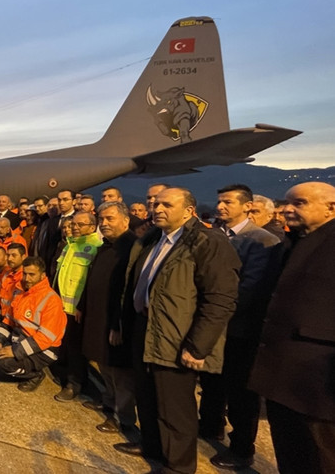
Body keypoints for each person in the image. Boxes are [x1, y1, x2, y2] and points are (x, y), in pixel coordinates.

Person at [114, 187, 240, 474]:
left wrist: (198, 346)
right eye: (156, 204)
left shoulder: (206, 241)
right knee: (147, 395)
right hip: (146, 328)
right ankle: (153, 446)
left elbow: (220, 297)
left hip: (177, 336)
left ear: (188, 211)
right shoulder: (154, 239)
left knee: (175, 407)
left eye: (166, 205)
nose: (157, 208)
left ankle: (179, 466)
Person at [249, 182, 335, 473]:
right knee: (290, 452)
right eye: (286, 203)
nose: (286, 209)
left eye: (299, 203)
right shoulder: (292, 242)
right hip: (280, 375)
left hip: (318, 383)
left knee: (322, 456)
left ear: (330, 208)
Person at [197, 184, 281, 469]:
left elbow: (251, 289)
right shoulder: (215, 235)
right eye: (219, 201)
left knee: (240, 392)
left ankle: (242, 448)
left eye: (228, 202)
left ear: (247, 206)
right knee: (211, 382)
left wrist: (216, 314)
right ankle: (210, 425)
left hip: (238, 329)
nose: (221, 207)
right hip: (212, 326)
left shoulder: (261, 240)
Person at [78, 202, 137, 434]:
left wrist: (118, 325)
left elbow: (128, 291)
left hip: (115, 322)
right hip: (98, 317)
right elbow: (91, 278)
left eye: (110, 219)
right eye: (102, 219)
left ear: (125, 220)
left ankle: (123, 420)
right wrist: (83, 305)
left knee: (119, 374)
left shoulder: (132, 249)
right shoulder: (106, 246)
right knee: (104, 366)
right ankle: (107, 401)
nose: (104, 224)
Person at [0, 256, 66, 392]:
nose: (27, 278)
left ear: (42, 275)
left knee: (3, 363)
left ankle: (35, 376)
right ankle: (19, 364)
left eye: (32, 275)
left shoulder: (52, 300)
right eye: (25, 274)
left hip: (44, 350)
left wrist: (15, 351)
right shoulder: (22, 292)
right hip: (22, 340)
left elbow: (45, 338)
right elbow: (9, 319)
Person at [52, 211, 102, 402]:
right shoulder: (69, 246)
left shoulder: (95, 247)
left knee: (76, 349)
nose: (74, 227)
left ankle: (74, 385)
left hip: (77, 310)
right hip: (62, 306)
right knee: (65, 344)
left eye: (80, 225)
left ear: (92, 227)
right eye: (73, 224)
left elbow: (91, 283)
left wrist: (83, 306)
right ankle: (64, 373)